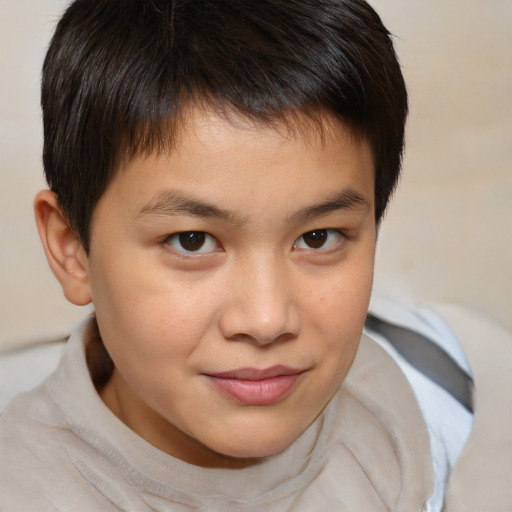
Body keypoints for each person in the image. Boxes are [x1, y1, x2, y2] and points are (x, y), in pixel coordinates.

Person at [0, 1, 510, 510]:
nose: (267, 320)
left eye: (318, 238)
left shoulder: (434, 398)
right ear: (73, 250)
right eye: (192, 241)